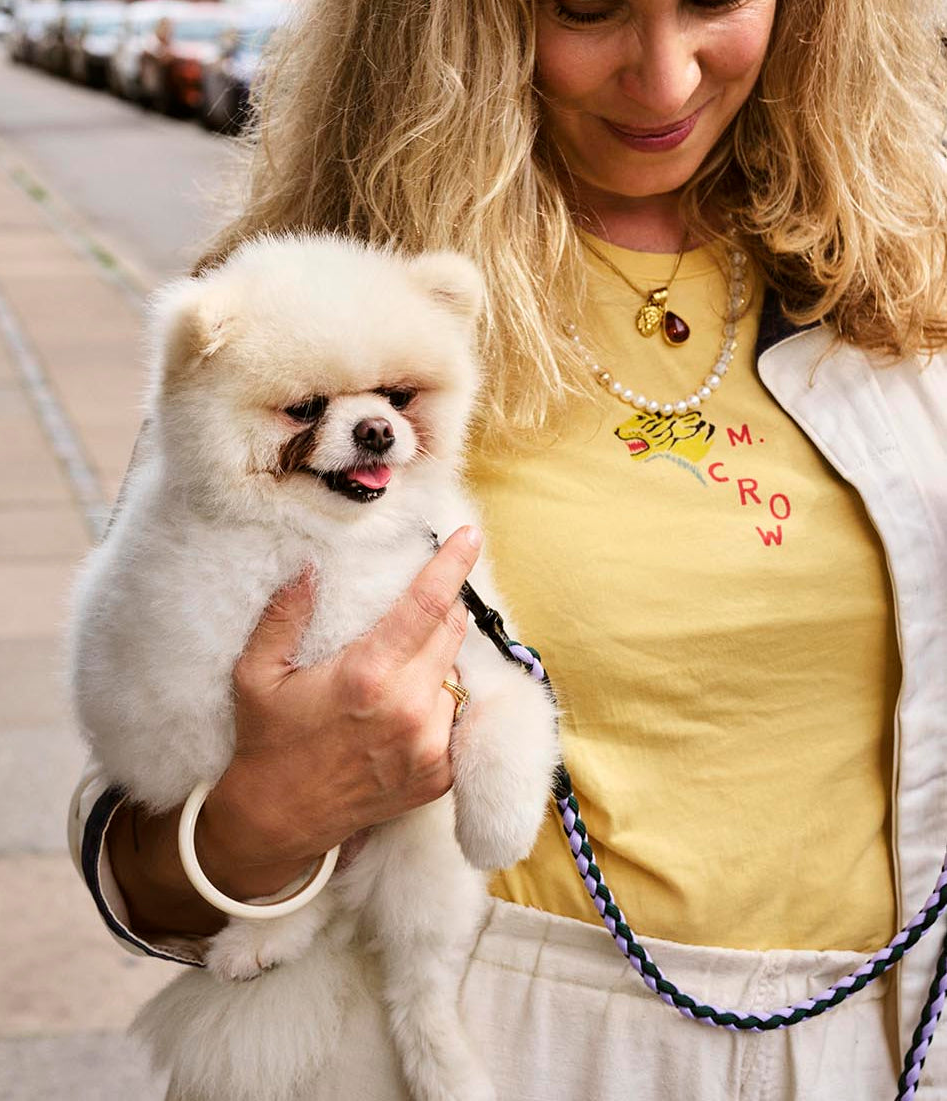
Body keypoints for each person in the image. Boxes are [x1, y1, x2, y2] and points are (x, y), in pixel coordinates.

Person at [69, 0, 947, 1097]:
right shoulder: (321, 318)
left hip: (879, 1046)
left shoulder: (905, 276)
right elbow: (134, 847)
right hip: (477, 1038)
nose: (664, 79)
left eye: (715, 0)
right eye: (588, 7)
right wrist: (268, 817)